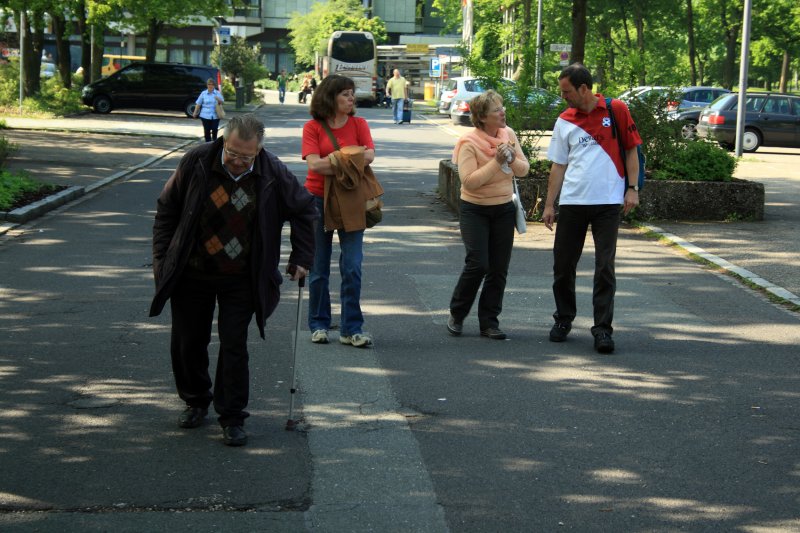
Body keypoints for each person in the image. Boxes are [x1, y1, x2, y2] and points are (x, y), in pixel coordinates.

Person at [149, 114, 317, 446]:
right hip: (192, 270)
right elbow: (167, 209)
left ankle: (232, 416)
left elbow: (304, 210)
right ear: (223, 141)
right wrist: (162, 259)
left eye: (246, 157)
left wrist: (301, 258)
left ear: (259, 151)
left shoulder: (272, 171)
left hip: (243, 275)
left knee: (234, 343)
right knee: (188, 340)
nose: (238, 162)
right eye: (233, 153)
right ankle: (195, 401)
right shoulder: (197, 160)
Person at [542, 63, 641, 354]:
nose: (563, 97)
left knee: (604, 268)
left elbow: (631, 149)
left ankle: (602, 330)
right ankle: (563, 319)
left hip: (608, 202)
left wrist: (632, 189)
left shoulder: (616, 110)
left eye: (566, 91)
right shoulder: (564, 120)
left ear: (583, 88)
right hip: (573, 202)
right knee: (563, 265)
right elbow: (558, 165)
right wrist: (550, 204)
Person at [447, 90, 529, 340]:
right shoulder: (468, 143)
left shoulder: (509, 134)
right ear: (482, 117)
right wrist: (496, 161)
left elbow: (524, 170)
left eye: (502, 108)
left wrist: (512, 158)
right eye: (497, 110)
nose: (503, 112)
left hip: (504, 208)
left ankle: (489, 322)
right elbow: (470, 182)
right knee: (478, 263)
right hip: (475, 210)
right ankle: (458, 313)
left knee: (498, 268)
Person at [301, 75, 376, 348]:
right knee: (319, 267)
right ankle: (319, 324)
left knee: (352, 266)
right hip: (317, 200)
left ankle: (351, 328)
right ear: (330, 97)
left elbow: (369, 156)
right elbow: (314, 166)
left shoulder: (359, 124)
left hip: (351, 200)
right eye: (345, 94)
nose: (351, 98)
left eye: (351, 94)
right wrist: (349, 159)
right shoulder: (313, 127)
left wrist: (333, 159)